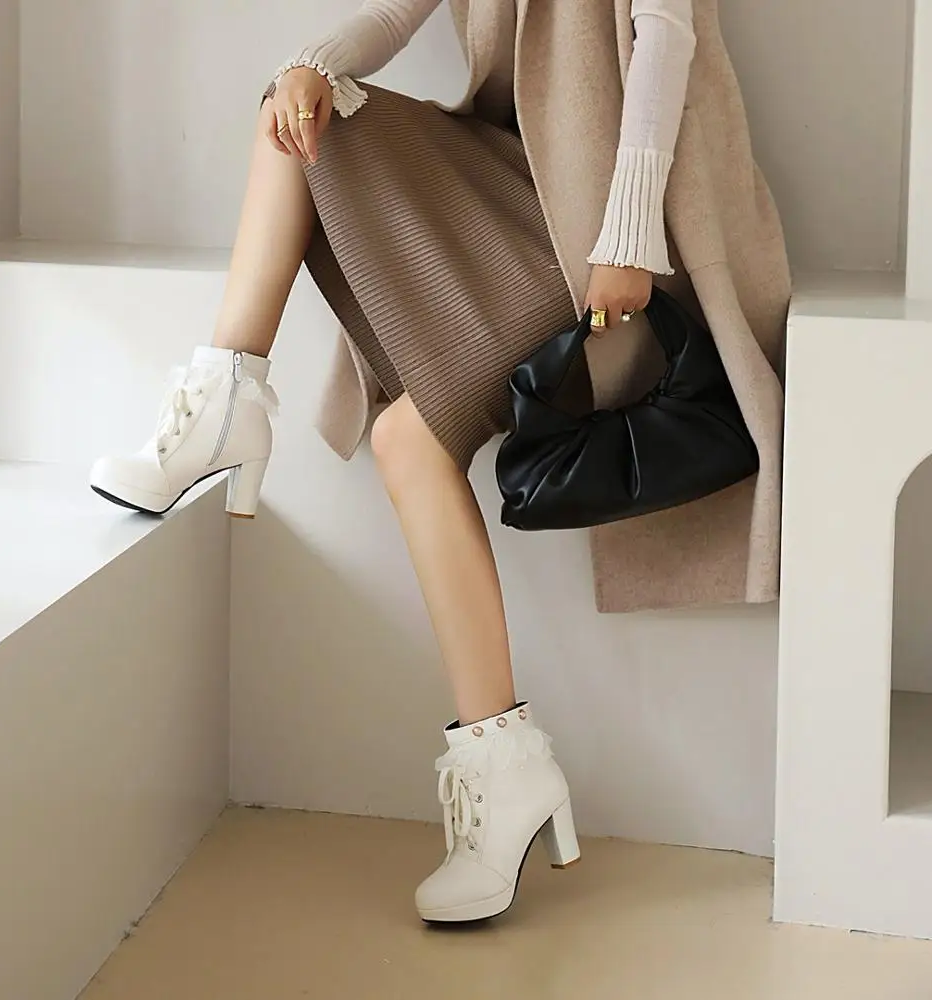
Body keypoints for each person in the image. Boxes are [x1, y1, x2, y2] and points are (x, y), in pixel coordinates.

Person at [90, 0, 789, 923]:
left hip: (617, 242)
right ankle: (228, 395)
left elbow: (666, 38)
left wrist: (626, 235)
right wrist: (311, 62)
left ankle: (503, 772)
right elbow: (392, 13)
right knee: (294, 105)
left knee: (405, 437)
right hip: (513, 206)